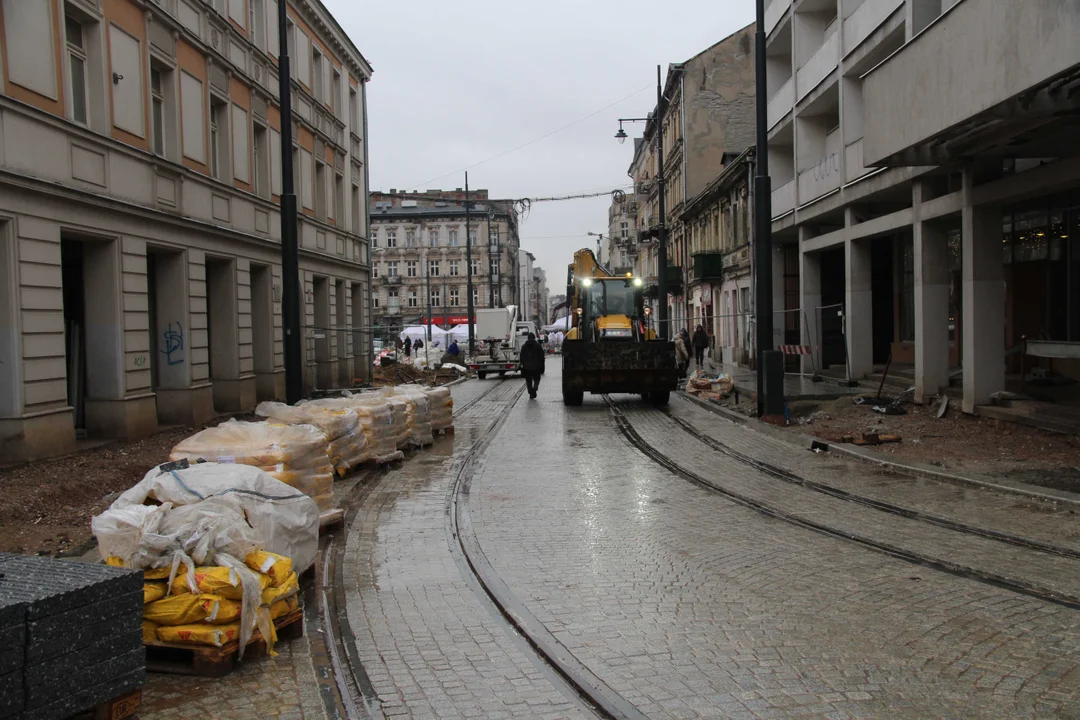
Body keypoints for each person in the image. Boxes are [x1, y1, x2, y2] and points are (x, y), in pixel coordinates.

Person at [519, 332, 545, 399]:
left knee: (528, 381)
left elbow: (521, 357)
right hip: (536, 367)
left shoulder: (524, 346)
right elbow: (542, 356)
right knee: (537, 379)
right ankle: (534, 389)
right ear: (534, 338)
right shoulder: (538, 345)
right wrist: (542, 365)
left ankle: (531, 393)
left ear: (528, 338)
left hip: (527, 367)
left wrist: (522, 365)